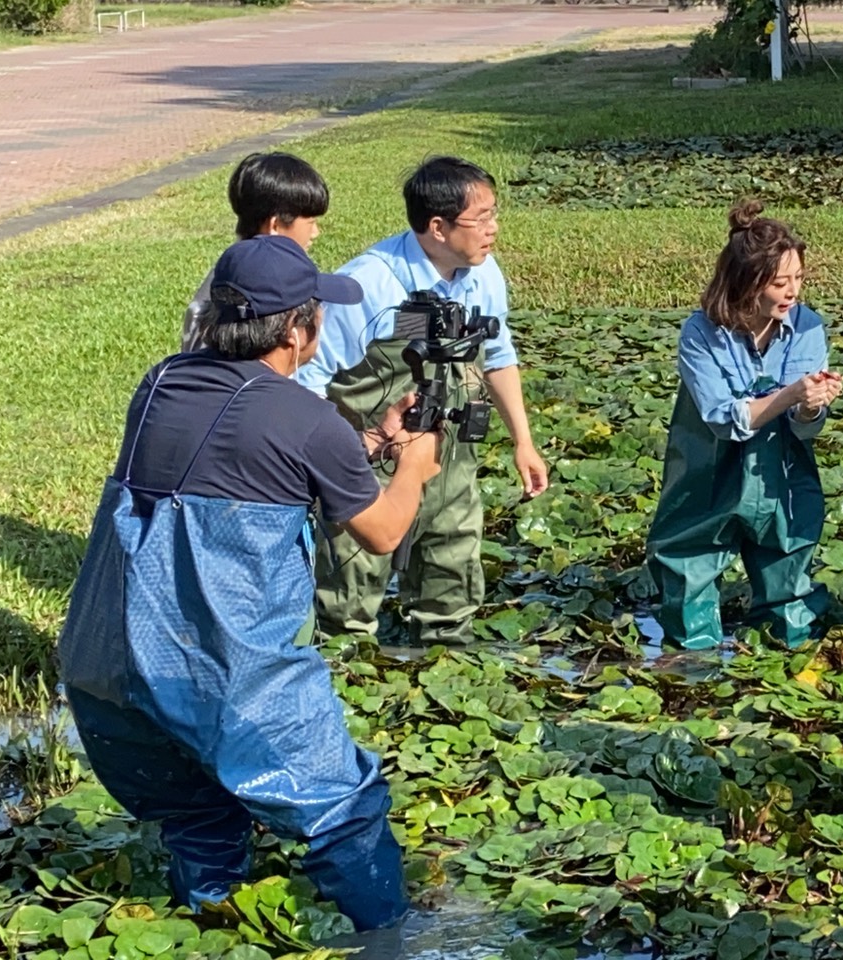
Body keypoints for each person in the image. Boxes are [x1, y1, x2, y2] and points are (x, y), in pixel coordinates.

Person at [57, 235, 444, 932]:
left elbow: (244, 461)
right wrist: (412, 465)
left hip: (105, 669)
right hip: (221, 677)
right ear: (298, 330)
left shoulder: (160, 383)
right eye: (315, 314)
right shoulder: (309, 419)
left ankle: (209, 925)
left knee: (202, 813)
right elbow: (383, 532)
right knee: (343, 811)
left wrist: (371, 444)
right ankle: (394, 940)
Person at [299, 156, 550, 646]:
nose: (493, 230)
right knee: (347, 605)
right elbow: (308, 378)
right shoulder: (367, 286)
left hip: (449, 460)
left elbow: (498, 357)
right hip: (369, 465)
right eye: (481, 219)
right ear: (437, 227)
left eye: (494, 215)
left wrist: (523, 441)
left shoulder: (484, 272)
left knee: (450, 594)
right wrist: (332, 462)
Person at [644, 201, 843, 650]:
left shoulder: (808, 327)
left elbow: (804, 426)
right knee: (688, 569)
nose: (793, 292)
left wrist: (812, 405)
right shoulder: (700, 334)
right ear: (747, 283)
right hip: (708, 473)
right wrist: (790, 393)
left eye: (798, 279)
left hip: (782, 474)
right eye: (780, 282)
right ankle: (692, 670)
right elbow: (722, 418)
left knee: (788, 580)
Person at [182, 152, 330, 352]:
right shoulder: (230, 299)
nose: (315, 232)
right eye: (310, 222)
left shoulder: (236, 275)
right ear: (275, 225)